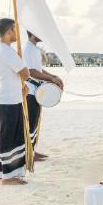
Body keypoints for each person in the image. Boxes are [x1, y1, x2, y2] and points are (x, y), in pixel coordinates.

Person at [0, 18, 30, 185]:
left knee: (4, 136)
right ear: (9, 32)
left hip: (5, 97)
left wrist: (20, 85)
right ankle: (8, 177)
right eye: (15, 30)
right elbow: (25, 72)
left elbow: (11, 74)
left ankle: (3, 173)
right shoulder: (6, 51)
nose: (17, 34)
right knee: (10, 137)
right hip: (8, 100)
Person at [25, 30, 64, 161]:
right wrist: (51, 79)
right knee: (30, 122)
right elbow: (31, 71)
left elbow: (39, 70)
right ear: (33, 33)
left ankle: (33, 150)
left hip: (36, 91)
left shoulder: (34, 49)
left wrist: (53, 77)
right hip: (29, 91)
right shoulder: (28, 49)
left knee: (35, 122)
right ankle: (29, 153)